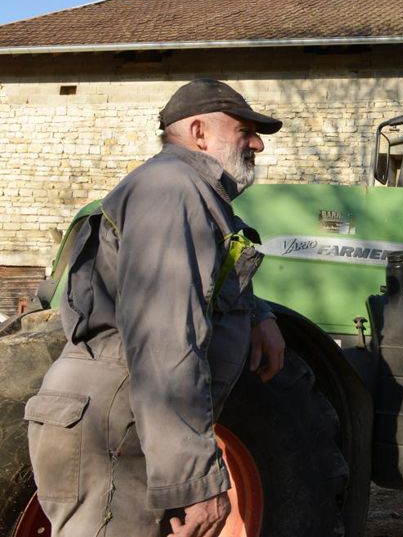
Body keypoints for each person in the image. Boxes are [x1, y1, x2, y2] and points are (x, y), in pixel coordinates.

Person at [24, 79, 286, 537]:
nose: (258, 144)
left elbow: (201, 282)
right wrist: (195, 481)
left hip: (122, 418)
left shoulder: (187, 191)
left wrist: (258, 316)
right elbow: (165, 340)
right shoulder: (172, 192)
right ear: (199, 133)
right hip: (113, 427)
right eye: (245, 131)